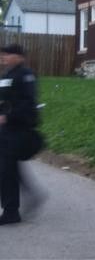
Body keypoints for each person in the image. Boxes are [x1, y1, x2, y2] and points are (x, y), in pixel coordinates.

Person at [0, 44, 44, 225]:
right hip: (6, 130)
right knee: (7, 168)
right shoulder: (7, 75)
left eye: (8, 54)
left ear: (19, 56)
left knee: (6, 169)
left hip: (19, 129)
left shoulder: (26, 75)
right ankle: (30, 197)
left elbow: (28, 103)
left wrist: (7, 116)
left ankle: (11, 212)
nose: (4, 57)